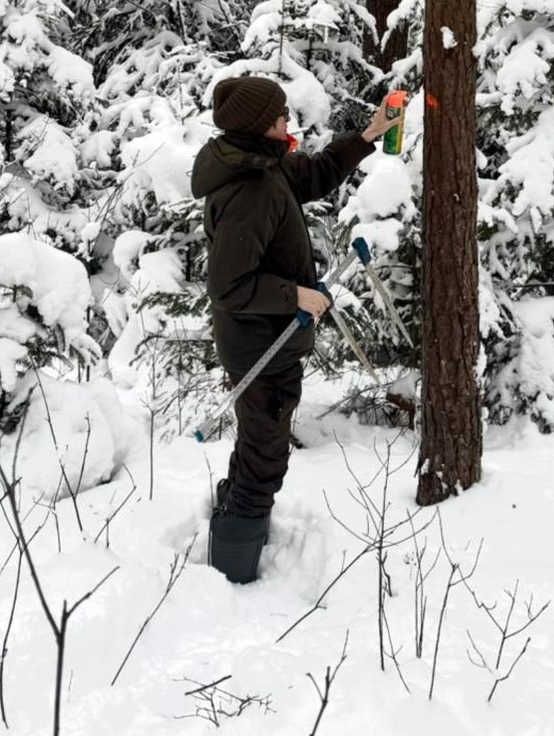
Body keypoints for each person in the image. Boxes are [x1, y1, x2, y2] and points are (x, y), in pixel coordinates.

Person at [190, 77, 402, 583]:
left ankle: (236, 511)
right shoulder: (249, 188)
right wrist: (295, 295)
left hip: (266, 338)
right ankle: (232, 568)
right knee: (267, 454)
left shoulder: (259, 160)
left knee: (258, 438)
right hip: (260, 343)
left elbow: (313, 174)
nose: (291, 122)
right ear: (261, 124)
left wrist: (370, 134)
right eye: (282, 115)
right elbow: (229, 285)